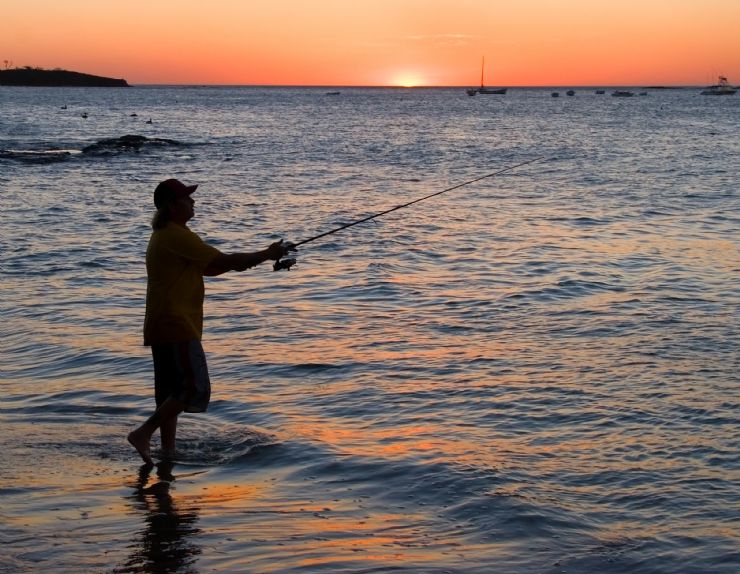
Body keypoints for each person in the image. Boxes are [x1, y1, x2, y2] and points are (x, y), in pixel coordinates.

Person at [127, 178, 293, 465]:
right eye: (186, 198)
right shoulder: (176, 235)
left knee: (169, 392)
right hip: (176, 323)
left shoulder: (168, 235)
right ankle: (144, 433)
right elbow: (227, 261)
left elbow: (213, 267)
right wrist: (268, 254)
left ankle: (167, 452)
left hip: (162, 322)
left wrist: (253, 261)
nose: (193, 202)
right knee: (194, 387)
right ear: (172, 205)